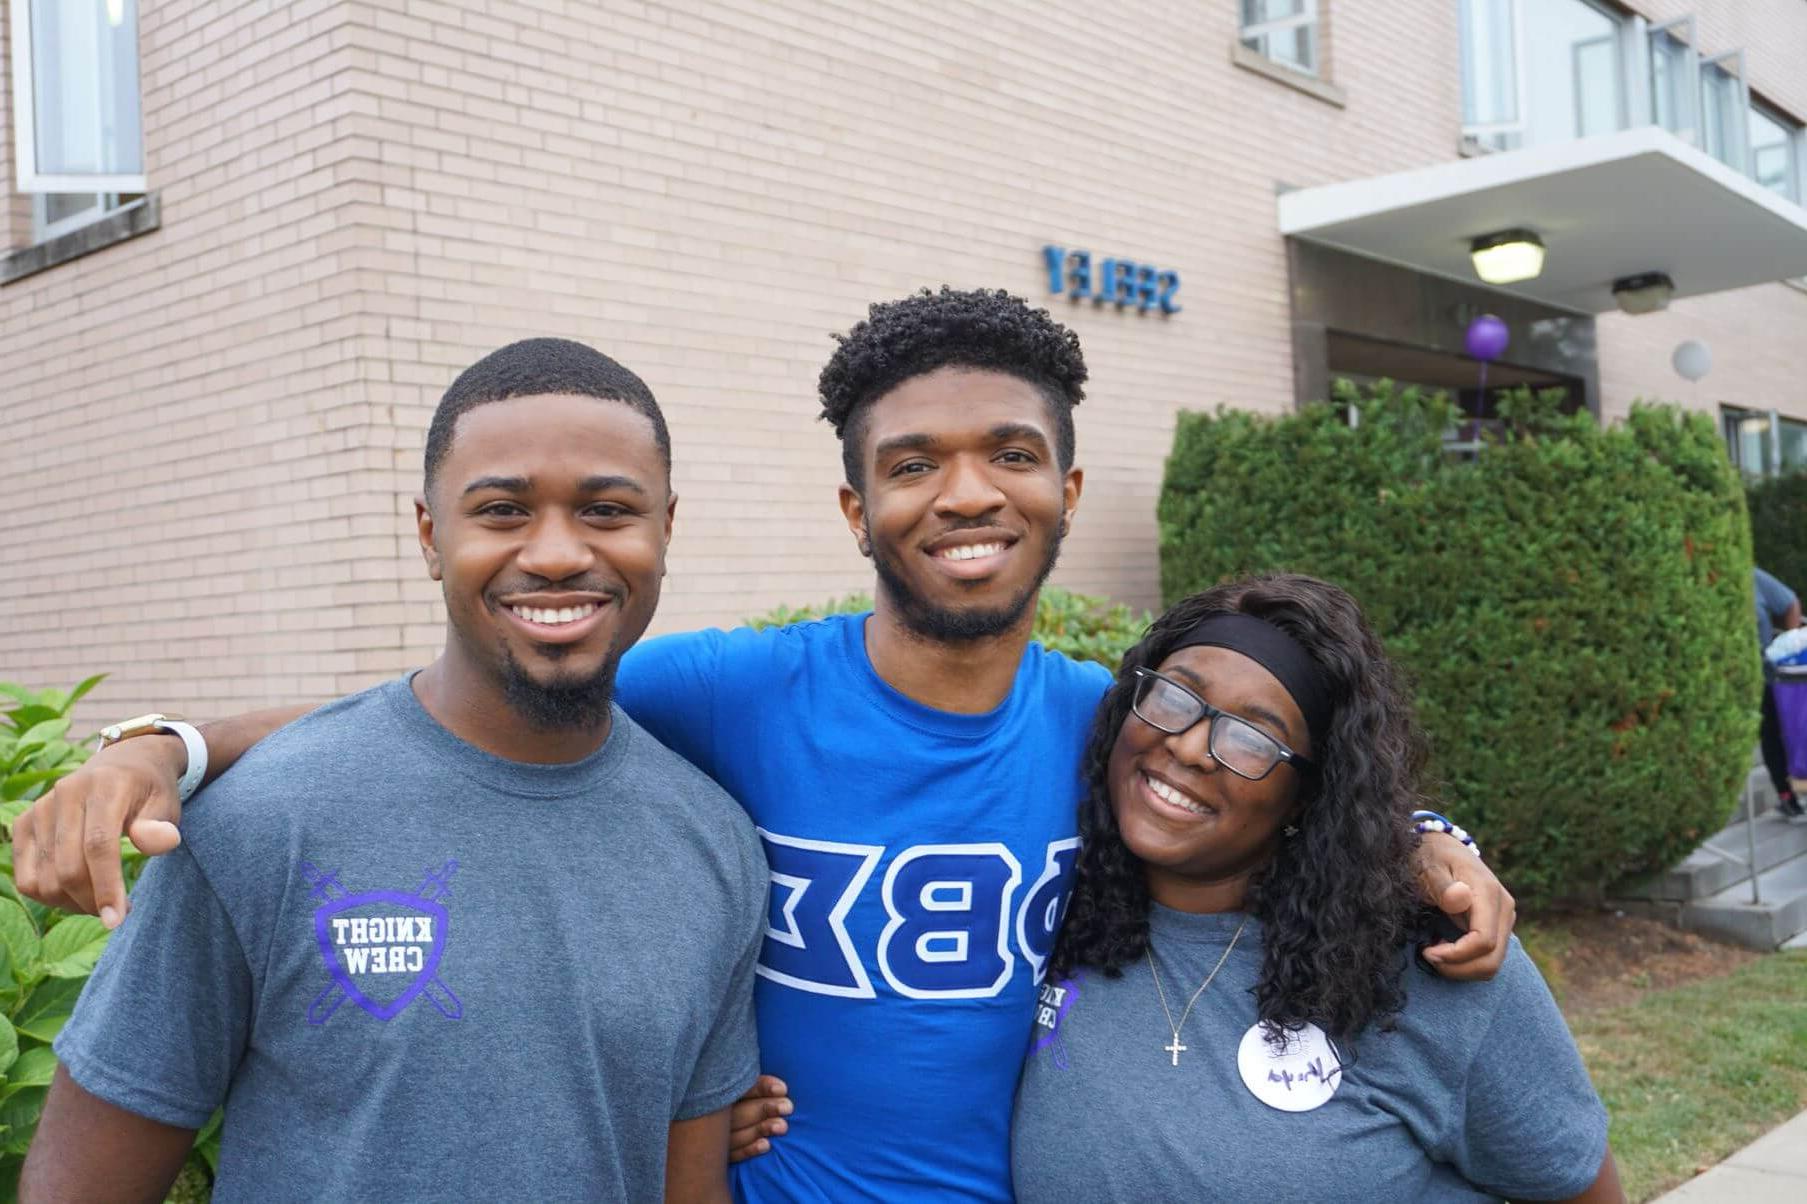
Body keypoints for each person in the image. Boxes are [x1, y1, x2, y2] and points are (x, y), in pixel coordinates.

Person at [14, 290, 1514, 1202]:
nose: (962, 495)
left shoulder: (1105, 729)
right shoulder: (727, 696)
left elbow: (1257, 772)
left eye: (1006, 455)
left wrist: (1423, 840)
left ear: (1065, 484)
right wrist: (171, 746)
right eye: (908, 466)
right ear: (853, 511)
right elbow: (456, 711)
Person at [19, 340, 767, 1203]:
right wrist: (151, 742)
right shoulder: (260, 821)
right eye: (500, 511)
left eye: (606, 510)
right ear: (429, 535)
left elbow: (688, 1185)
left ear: (664, 529)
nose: (558, 553)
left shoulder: (713, 841)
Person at [1013, 573, 1621, 1203]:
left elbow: (1579, 1188)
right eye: (1173, 697)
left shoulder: (1430, 960)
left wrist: (1423, 840)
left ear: (1309, 793)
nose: (1191, 746)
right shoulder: (1051, 907)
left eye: (1253, 739)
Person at [1754, 567, 1805, 817]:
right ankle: (1785, 793)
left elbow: (1790, 602)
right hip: (1733, 678)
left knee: (1790, 727)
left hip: (1770, 671)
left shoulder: (1751, 576)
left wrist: (1791, 642)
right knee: (1770, 733)